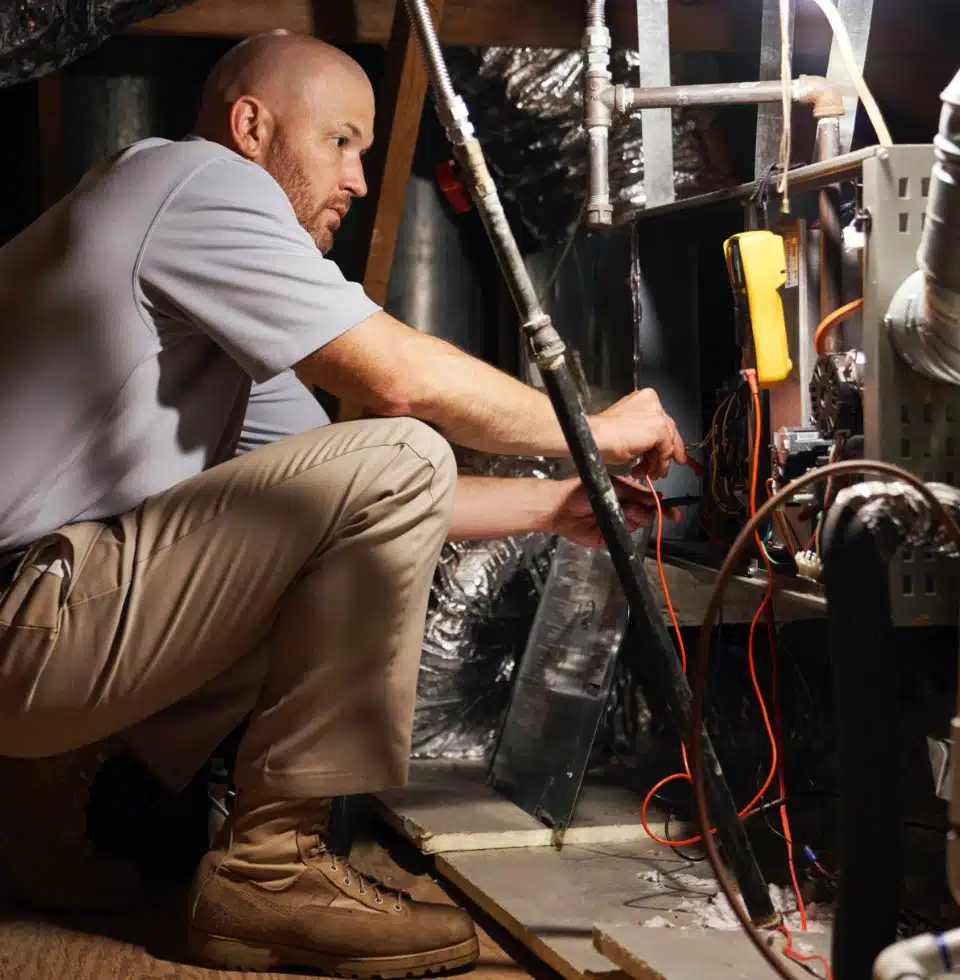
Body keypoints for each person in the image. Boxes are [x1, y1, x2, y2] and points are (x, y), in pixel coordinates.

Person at [0, 30, 686, 977]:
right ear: (250, 127)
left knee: (351, 493)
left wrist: (557, 503)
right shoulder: (196, 181)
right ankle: (273, 873)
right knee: (400, 445)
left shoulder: (191, 291)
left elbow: (359, 496)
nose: (361, 180)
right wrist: (595, 428)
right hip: (19, 623)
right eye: (342, 143)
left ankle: (35, 795)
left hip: (35, 634)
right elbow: (402, 393)